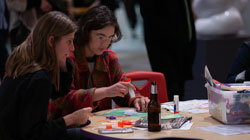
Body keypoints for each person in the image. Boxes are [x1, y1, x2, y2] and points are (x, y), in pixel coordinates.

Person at [0, 11, 92, 140]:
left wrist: (62, 63)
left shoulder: (24, 60)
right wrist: (70, 120)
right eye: (69, 42)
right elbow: (34, 134)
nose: (72, 48)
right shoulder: (39, 78)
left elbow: (57, 92)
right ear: (51, 41)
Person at [48, 5, 150, 120]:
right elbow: (64, 99)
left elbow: (123, 87)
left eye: (110, 38)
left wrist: (136, 99)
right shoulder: (68, 56)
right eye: (100, 37)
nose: (106, 44)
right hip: (71, 123)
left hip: (100, 123)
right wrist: (105, 92)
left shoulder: (108, 57)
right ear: (86, 32)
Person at [138, 0, 197, 101]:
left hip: (181, 40)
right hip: (163, 42)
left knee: (179, 88)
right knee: (170, 86)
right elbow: (148, 10)